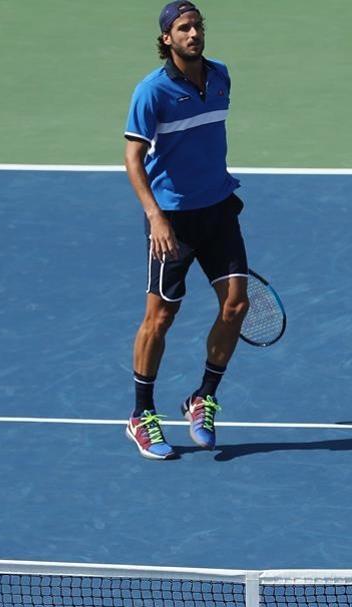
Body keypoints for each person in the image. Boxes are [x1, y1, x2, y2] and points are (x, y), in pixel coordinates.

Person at [123, 1, 249, 460]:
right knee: (161, 318)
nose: (193, 34)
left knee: (236, 305)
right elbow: (133, 159)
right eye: (183, 28)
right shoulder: (151, 92)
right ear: (166, 39)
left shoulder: (220, 77)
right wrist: (156, 217)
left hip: (218, 209)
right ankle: (141, 415)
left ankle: (203, 397)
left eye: (197, 26)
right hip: (172, 221)